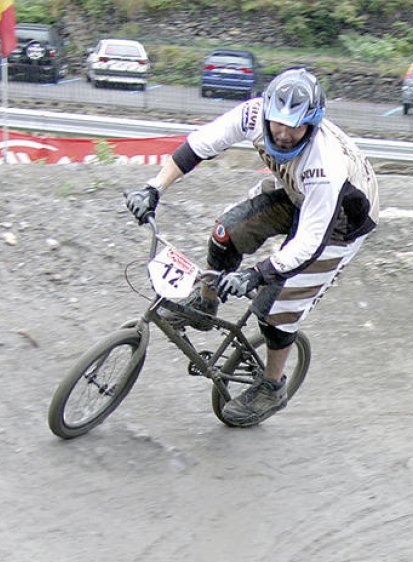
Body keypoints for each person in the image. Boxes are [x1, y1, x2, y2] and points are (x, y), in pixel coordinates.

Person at [125, 67, 379, 425]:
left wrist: (255, 275)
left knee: (275, 307)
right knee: (226, 233)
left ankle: (272, 387)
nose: (285, 134)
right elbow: (199, 145)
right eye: (278, 123)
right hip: (296, 195)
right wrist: (153, 188)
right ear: (267, 112)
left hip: (341, 223)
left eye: (297, 126)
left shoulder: (325, 164)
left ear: (313, 123)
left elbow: (309, 243)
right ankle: (205, 304)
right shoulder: (253, 114)